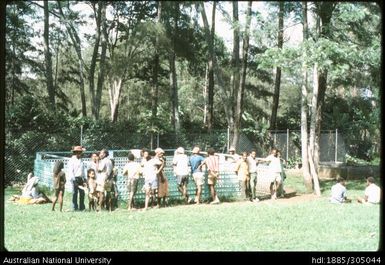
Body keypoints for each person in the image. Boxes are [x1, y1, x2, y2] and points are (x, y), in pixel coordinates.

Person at [67, 145, 86, 211]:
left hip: (81, 178)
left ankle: (82, 207)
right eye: (77, 152)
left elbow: (83, 171)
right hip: (75, 178)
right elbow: (70, 171)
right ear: (75, 153)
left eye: (80, 152)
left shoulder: (81, 160)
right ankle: (74, 207)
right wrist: (74, 181)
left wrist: (84, 179)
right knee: (75, 193)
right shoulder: (71, 160)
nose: (79, 153)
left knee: (82, 193)